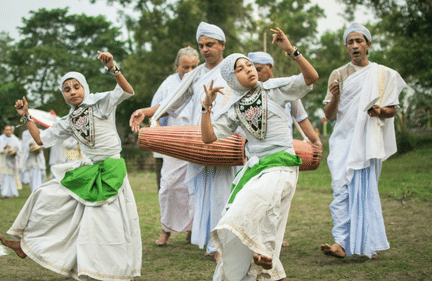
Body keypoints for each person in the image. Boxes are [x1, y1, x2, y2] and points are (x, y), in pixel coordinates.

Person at [0, 51, 142, 281]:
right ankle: (25, 246)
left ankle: (108, 272)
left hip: (111, 172)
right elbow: (40, 140)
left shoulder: (100, 104)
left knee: (104, 225)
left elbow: (126, 91)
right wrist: (25, 116)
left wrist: (112, 67)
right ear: (63, 95)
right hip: (89, 170)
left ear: (84, 87)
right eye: (67, 89)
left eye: (76, 87)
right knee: (44, 193)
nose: (73, 91)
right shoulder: (68, 121)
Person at [202, 28, 318, 281]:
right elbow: (208, 138)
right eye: (241, 68)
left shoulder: (274, 89)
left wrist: (290, 50)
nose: (250, 69)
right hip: (256, 169)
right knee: (261, 213)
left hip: (282, 164)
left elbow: (311, 77)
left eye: (250, 65)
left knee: (251, 205)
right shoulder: (233, 109)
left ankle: (262, 252)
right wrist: (206, 107)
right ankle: (268, 266)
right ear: (231, 79)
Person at [130, 22, 240, 260]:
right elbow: (174, 102)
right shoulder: (198, 73)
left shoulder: (234, 67)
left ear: (222, 45)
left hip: (230, 141)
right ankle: (214, 245)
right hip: (202, 141)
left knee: (226, 193)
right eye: (201, 45)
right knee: (204, 194)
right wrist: (148, 113)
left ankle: (225, 245)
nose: (205, 50)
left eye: (209, 44)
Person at [320, 23, 406, 259]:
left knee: (364, 192)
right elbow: (328, 115)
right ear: (346, 46)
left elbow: (392, 111)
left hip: (368, 141)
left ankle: (358, 243)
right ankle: (341, 241)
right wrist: (335, 97)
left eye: (359, 41)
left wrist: (379, 111)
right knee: (340, 189)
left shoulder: (383, 74)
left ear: (368, 44)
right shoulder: (338, 74)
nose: (355, 45)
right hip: (343, 139)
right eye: (350, 42)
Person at [248, 51, 323, 248]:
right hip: (259, 154)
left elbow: (301, 117)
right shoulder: (250, 92)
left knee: (279, 199)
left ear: (270, 68)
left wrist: (315, 140)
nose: (255, 74)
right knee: (261, 197)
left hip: (284, 153)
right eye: (252, 70)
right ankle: (259, 238)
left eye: (259, 69)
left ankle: (273, 238)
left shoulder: (285, 88)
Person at [149, 46, 199, 246]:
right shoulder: (168, 84)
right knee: (168, 187)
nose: (189, 71)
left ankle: (192, 230)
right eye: (185, 67)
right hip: (172, 142)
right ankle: (166, 231)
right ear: (176, 65)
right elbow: (157, 112)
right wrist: (159, 138)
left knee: (194, 188)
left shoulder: (202, 80)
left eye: (193, 67)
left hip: (196, 141)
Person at [0, 125, 21, 198]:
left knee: (11, 177)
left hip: (12, 161)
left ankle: (12, 193)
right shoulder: (0, 138)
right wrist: (4, 149)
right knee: (4, 177)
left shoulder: (15, 139)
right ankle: (4, 193)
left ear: (12, 131)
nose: (8, 131)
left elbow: (19, 150)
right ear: (4, 131)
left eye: (9, 130)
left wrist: (13, 152)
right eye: (6, 130)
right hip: (3, 161)